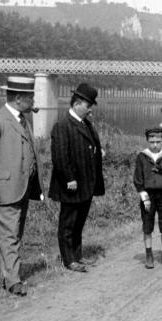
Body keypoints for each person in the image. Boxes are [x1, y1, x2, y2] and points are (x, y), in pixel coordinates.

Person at [0, 76, 44, 296]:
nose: (33, 100)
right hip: (5, 189)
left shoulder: (23, 119)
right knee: (9, 235)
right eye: (30, 96)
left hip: (23, 188)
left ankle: (6, 276)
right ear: (17, 98)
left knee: (15, 234)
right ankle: (13, 281)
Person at [49, 83, 104, 273]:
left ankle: (78, 255)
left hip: (86, 184)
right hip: (72, 185)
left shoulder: (85, 124)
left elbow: (89, 146)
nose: (90, 110)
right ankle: (69, 259)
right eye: (88, 106)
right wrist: (69, 178)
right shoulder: (62, 126)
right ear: (77, 103)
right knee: (68, 223)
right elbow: (60, 156)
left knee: (79, 222)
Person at [133, 126, 162, 269]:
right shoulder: (142, 157)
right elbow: (138, 178)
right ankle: (149, 255)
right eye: (152, 142)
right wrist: (144, 197)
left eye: (158, 141)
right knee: (147, 226)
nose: (155, 145)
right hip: (148, 197)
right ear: (147, 141)